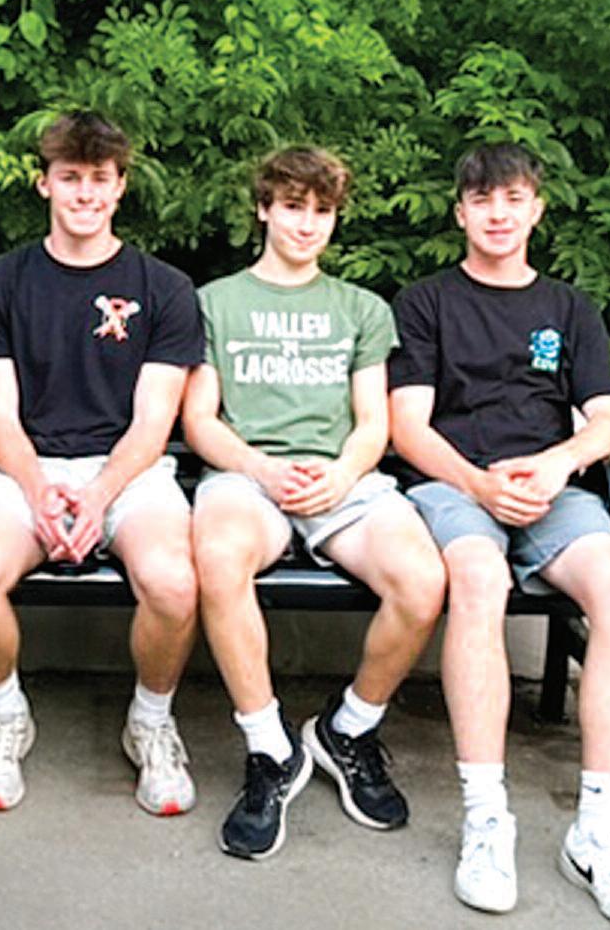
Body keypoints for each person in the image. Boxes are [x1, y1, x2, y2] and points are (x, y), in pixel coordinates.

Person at [387, 143, 610, 927]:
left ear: (537, 209)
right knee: (479, 581)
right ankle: (487, 821)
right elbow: (408, 428)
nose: (498, 214)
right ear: (460, 213)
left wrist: (556, 464)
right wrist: (479, 484)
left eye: (513, 198)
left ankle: (598, 832)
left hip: (551, 491)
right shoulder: (425, 303)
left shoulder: (570, 309)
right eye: (482, 200)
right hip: (454, 487)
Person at [183, 146, 446, 860]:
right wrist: (261, 468)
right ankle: (269, 748)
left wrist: (343, 472)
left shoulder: (361, 308)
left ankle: (347, 729)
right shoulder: (214, 302)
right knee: (218, 556)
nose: (307, 224)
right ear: (264, 209)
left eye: (322, 211)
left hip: (343, 482)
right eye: (293, 207)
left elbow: (373, 421)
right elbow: (200, 420)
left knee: (423, 581)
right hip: (248, 477)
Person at [0, 112, 204, 816]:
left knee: (174, 583)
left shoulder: (165, 288)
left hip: (129, 474)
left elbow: (154, 423)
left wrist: (97, 495)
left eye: (99, 179)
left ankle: (150, 722)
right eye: (70, 177)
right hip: (23, 468)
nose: (85, 193)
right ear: (44, 184)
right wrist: (39, 491)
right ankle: (6, 716)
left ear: (121, 187)